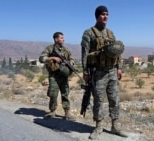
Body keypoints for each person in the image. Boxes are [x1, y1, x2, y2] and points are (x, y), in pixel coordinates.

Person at [81, 5, 127, 139]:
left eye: (107, 14)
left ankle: (115, 126)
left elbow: (116, 52)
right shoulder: (88, 33)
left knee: (115, 100)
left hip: (112, 71)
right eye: (102, 14)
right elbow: (85, 53)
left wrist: (119, 68)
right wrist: (85, 72)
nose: (105, 16)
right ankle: (98, 126)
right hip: (98, 72)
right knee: (99, 101)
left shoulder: (110, 33)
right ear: (97, 16)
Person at [39, 32, 75, 121]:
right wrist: (52, 58)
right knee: (53, 94)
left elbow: (71, 57)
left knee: (65, 94)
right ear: (56, 39)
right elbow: (41, 58)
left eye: (63, 38)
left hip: (64, 75)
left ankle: (67, 112)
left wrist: (71, 62)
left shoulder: (65, 50)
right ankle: (52, 111)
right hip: (54, 75)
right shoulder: (50, 49)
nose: (63, 39)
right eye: (61, 38)